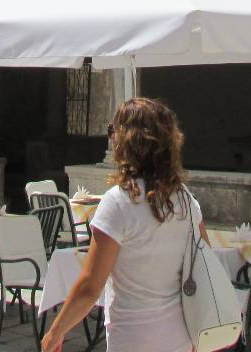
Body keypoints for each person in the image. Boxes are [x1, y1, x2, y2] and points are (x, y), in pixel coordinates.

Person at [41, 98, 203, 352]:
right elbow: (202, 264)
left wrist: (55, 332)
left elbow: (90, 286)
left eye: (113, 131)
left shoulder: (118, 202)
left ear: (126, 140)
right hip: (180, 336)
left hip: (132, 338)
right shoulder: (185, 200)